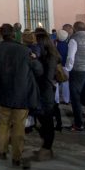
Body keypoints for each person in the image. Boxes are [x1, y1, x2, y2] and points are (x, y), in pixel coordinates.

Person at [0, 24, 42, 169]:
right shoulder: (25, 50)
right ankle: (17, 157)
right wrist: (35, 59)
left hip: (2, 92)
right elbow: (38, 70)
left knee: (3, 123)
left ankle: (1, 151)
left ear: (1, 34)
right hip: (21, 94)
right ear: (13, 34)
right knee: (19, 126)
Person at [34, 32, 60, 161]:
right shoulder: (43, 56)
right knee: (42, 120)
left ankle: (46, 148)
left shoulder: (50, 58)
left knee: (47, 121)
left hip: (46, 92)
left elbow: (48, 77)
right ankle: (46, 147)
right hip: (42, 91)